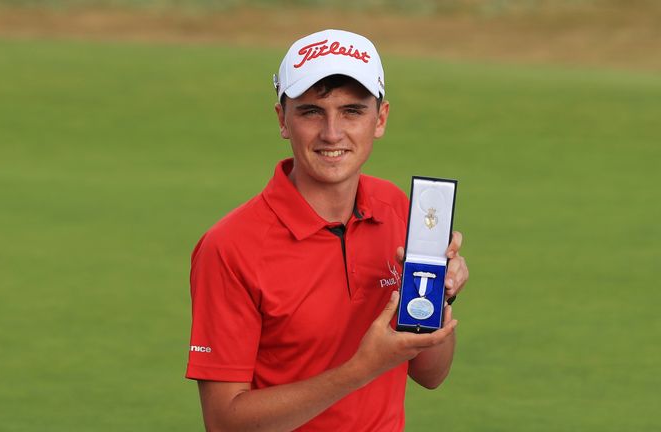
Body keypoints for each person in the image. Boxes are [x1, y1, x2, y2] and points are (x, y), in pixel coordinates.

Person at [185, 29, 469, 432]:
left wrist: (438, 297)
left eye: (352, 111)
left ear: (380, 119)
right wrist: (362, 369)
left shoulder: (399, 212)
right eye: (311, 111)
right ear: (283, 119)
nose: (332, 133)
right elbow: (224, 421)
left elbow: (430, 373)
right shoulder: (230, 247)